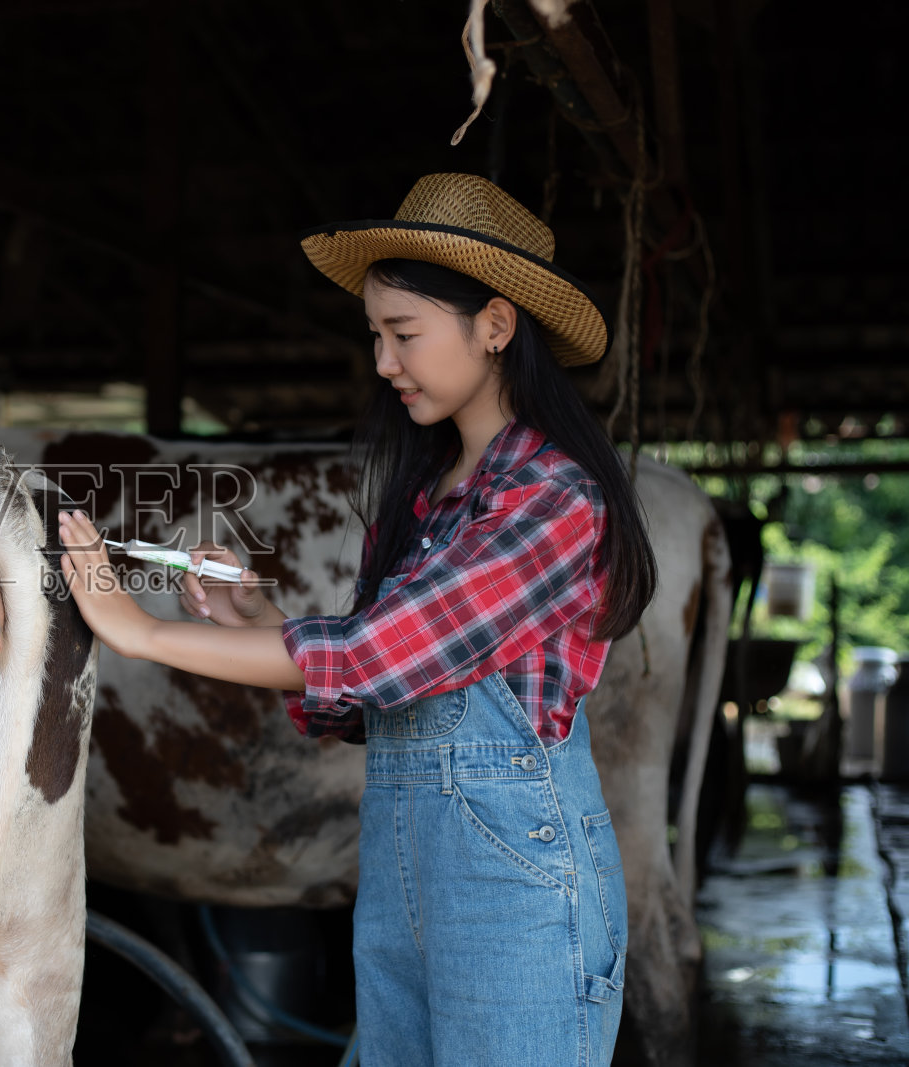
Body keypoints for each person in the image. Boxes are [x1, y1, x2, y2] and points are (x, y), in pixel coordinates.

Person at [56, 172, 656, 1067]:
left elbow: (376, 654)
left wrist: (137, 631)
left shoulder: (552, 498)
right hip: (405, 878)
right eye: (375, 335)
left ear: (496, 325)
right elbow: (378, 696)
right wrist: (250, 616)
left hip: (517, 888)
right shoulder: (427, 495)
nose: (383, 362)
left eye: (404, 334)